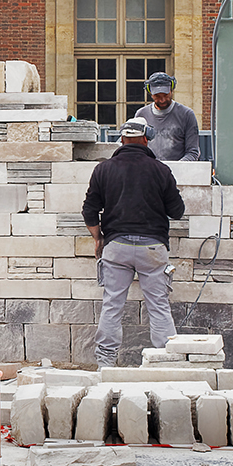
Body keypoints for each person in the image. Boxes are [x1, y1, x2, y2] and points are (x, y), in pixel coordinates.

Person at [81, 117, 186, 368]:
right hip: (152, 248)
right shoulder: (160, 170)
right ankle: (166, 363)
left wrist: (98, 239)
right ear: (146, 139)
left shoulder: (104, 169)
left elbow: (89, 210)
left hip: (116, 247)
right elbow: (177, 211)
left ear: (122, 139)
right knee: (158, 306)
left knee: (112, 305)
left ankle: (106, 364)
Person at [135, 72, 201, 162]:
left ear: (172, 90)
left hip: (177, 169)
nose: (162, 100)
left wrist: (177, 167)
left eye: (166, 95)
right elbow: (135, 148)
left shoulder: (186, 114)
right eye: (157, 96)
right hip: (149, 168)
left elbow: (193, 152)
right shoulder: (141, 115)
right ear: (150, 94)